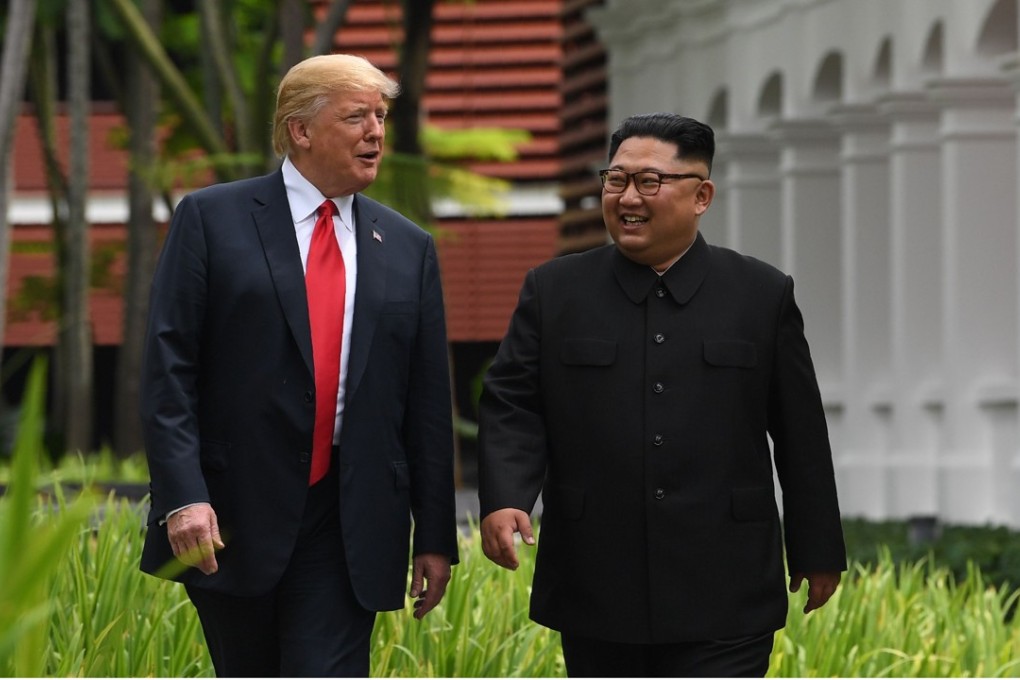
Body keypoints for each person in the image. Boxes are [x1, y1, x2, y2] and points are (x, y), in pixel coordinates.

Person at [477, 112, 846, 677]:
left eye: (649, 182)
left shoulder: (761, 293)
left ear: (701, 196)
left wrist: (816, 547)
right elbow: (513, 404)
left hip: (727, 581)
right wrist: (506, 496)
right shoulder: (555, 291)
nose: (628, 197)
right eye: (616, 179)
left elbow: (800, 432)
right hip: (596, 579)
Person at [139, 53, 459, 677]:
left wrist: (435, 535)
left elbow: (425, 402)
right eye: (356, 116)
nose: (375, 132)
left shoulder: (408, 246)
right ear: (301, 130)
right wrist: (183, 497)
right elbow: (169, 371)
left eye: (381, 116)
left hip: (350, 517)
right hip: (232, 513)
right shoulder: (211, 219)